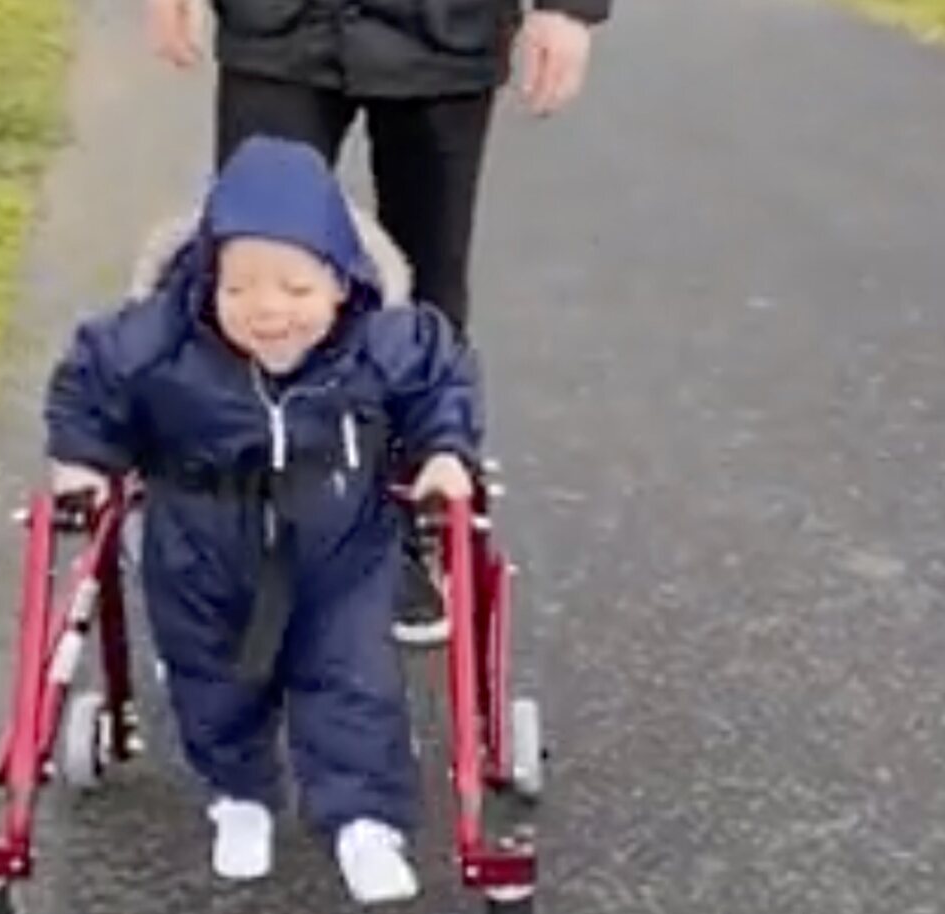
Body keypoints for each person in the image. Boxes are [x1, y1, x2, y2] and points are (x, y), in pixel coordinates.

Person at [44, 136, 482, 905]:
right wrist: (81, 458)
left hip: (339, 545)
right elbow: (90, 382)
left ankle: (363, 819)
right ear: (206, 278)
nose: (268, 310)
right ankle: (239, 795)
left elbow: (443, 377)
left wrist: (446, 451)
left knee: (350, 677)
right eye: (239, 287)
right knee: (210, 680)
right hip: (198, 546)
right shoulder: (159, 340)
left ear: (343, 283)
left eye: (295, 287)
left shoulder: (382, 342)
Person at [144, 0, 609, 644]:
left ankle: (403, 514)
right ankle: (248, 528)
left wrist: (568, 10)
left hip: (444, 27)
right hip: (278, 26)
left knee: (425, 282)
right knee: (255, 267)